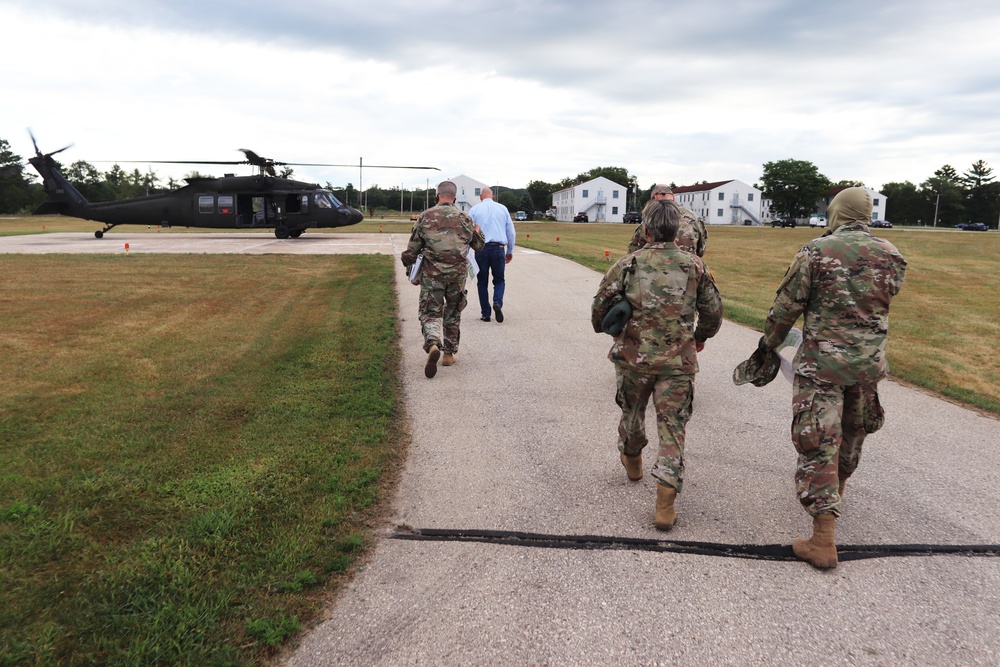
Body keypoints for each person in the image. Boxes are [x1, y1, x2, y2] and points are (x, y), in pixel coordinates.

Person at [759, 186, 906, 569]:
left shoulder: (816, 251)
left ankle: (823, 538)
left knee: (819, 439)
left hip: (822, 365)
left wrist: (769, 345)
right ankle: (838, 490)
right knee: (854, 430)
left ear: (836, 212)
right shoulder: (892, 254)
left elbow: (786, 307)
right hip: (868, 364)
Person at [592, 199, 723, 531]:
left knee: (632, 413)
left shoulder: (627, 264)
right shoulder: (695, 266)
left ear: (646, 229)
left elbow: (598, 312)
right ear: (678, 230)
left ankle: (632, 456)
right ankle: (665, 503)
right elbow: (713, 313)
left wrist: (613, 322)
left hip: (634, 359)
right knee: (673, 430)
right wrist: (701, 336)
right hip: (678, 362)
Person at [401, 181, 485, 378]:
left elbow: (411, 251)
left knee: (431, 312)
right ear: (454, 198)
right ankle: (448, 354)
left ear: (437, 196)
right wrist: (479, 233)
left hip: (432, 275)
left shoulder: (426, 216)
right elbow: (479, 245)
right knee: (453, 312)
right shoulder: (466, 217)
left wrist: (410, 272)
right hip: (457, 275)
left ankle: (432, 344)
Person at [468, 187, 516, 323]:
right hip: (498, 248)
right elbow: (511, 232)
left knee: (482, 282)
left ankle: (486, 314)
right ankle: (497, 302)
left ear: (481, 197)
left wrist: (466, 253)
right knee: (499, 280)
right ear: (492, 196)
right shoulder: (503, 209)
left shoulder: (475, 210)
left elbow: (468, 232)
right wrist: (510, 251)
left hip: (481, 250)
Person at [628, 184, 708, 257]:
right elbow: (701, 250)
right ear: (673, 197)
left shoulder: (651, 217)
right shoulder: (692, 217)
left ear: (654, 198)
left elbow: (633, 251)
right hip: (689, 268)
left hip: (657, 268)